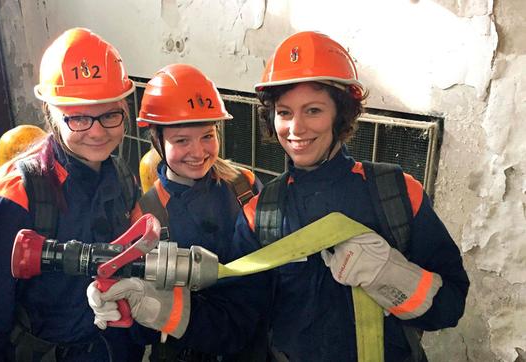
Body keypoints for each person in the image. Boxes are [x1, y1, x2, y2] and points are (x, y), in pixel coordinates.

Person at [228, 31, 470, 361]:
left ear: (341, 114)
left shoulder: (397, 194)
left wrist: (391, 275)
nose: (296, 128)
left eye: (313, 110)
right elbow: (240, 322)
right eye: (284, 112)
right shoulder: (260, 213)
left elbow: (450, 307)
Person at [0, 27, 143, 361]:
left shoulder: (121, 177)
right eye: (78, 117)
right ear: (51, 114)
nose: (97, 132)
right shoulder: (16, 196)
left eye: (110, 114)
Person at [87, 64, 271, 361]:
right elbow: (141, 323)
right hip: (188, 348)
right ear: (157, 141)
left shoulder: (244, 185)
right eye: (181, 140)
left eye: (207, 136)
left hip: (253, 342)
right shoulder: (147, 216)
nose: (198, 152)